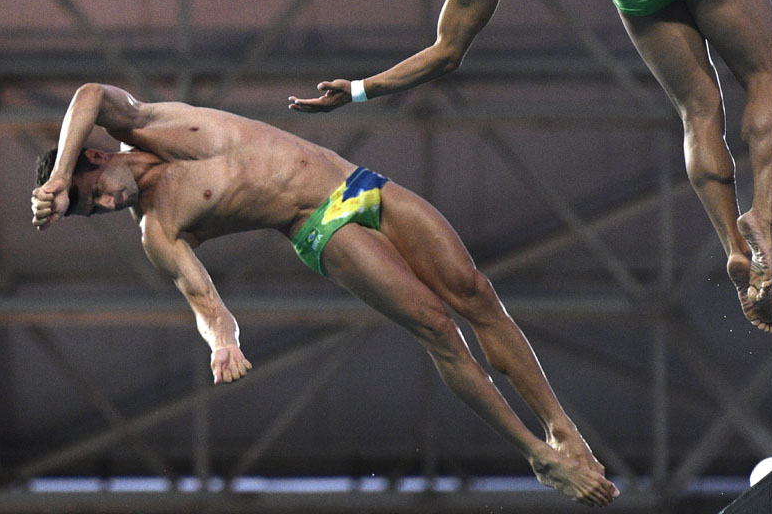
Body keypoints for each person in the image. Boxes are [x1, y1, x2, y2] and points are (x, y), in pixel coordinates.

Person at [260, 0, 772, 335]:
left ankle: (732, 245)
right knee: (766, 79)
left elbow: (446, 52)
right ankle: (764, 216)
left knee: (697, 111)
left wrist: (357, 90)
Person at [31, 82, 619, 507]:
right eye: (92, 213)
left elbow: (88, 94)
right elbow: (203, 301)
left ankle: (561, 428)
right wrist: (223, 342)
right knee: (438, 327)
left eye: (95, 193)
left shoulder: (145, 121)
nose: (107, 206)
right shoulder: (160, 229)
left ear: (96, 157)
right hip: (319, 225)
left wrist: (57, 178)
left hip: (354, 181)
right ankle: (536, 455)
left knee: (478, 294)